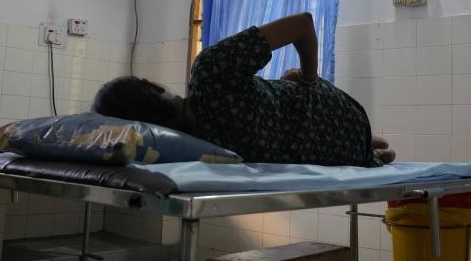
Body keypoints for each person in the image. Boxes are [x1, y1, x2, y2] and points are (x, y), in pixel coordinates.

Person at [92, 13, 395, 167]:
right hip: (337, 113)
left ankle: (377, 148)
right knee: (298, 89)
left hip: (341, 156)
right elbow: (303, 24)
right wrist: (307, 79)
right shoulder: (208, 73)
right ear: (154, 86)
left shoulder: (192, 153)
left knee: (378, 148)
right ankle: (372, 140)